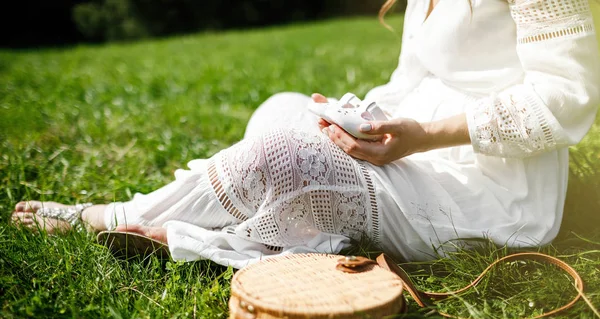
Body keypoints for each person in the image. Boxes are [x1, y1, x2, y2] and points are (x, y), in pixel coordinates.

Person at [12, 0, 600, 269]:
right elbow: (411, 81)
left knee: (284, 151)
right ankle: (253, 235)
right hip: (416, 148)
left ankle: (116, 217)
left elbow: (569, 98)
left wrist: (419, 136)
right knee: (283, 108)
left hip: (488, 188)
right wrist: (357, 115)